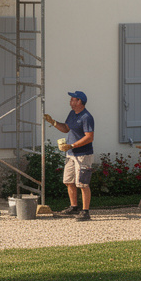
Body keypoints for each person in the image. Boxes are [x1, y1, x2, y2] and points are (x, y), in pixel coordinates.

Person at [45, 91, 94, 221]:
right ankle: (74, 207)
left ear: (80, 102)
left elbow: (89, 137)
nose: (70, 101)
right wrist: (53, 122)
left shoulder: (86, 117)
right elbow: (66, 128)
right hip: (71, 154)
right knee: (68, 181)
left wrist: (72, 146)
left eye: (73, 99)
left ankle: (85, 211)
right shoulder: (72, 114)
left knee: (83, 183)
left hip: (83, 155)